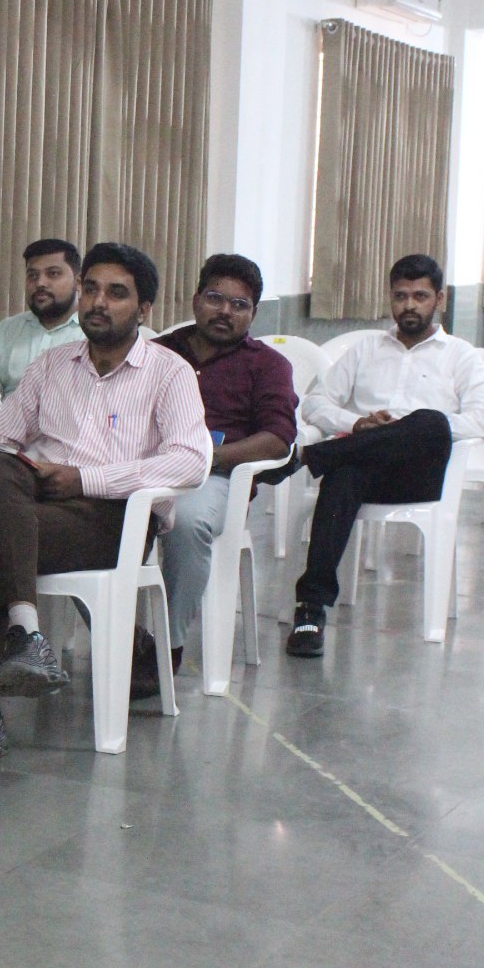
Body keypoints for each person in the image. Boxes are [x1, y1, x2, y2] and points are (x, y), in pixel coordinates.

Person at [0, 242, 211, 773]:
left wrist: (86, 478)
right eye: (91, 289)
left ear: (143, 309)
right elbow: (0, 439)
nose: (98, 302)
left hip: (114, 518)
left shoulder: (169, 371)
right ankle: (26, 632)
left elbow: (190, 462)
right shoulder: (51, 366)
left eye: (116, 293)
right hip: (36, 504)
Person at [286, 253, 484, 656]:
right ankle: (310, 610)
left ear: (439, 299)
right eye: (401, 296)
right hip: (364, 467)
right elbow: (315, 403)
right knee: (342, 476)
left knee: (429, 422)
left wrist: (410, 429)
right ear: (390, 298)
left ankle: (311, 456)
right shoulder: (365, 349)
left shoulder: (460, 355)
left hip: (422, 477)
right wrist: (357, 423)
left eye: (420, 296)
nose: (409, 305)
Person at [155, 255, 297, 678]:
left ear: (253, 313)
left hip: (215, 477)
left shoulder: (267, 365)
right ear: (196, 299)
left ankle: (165, 647)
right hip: (145, 468)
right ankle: (125, 635)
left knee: (185, 522)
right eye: (215, 298)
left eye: (239, 305)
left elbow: (278, 437)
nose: (225, 311)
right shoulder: (159, 352)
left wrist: (209, 457)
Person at [0, 238, 84, 397]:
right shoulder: (4, 332)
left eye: (53, 274)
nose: (40, 283)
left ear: (78, 282)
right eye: (32, 275)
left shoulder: (95, 335)